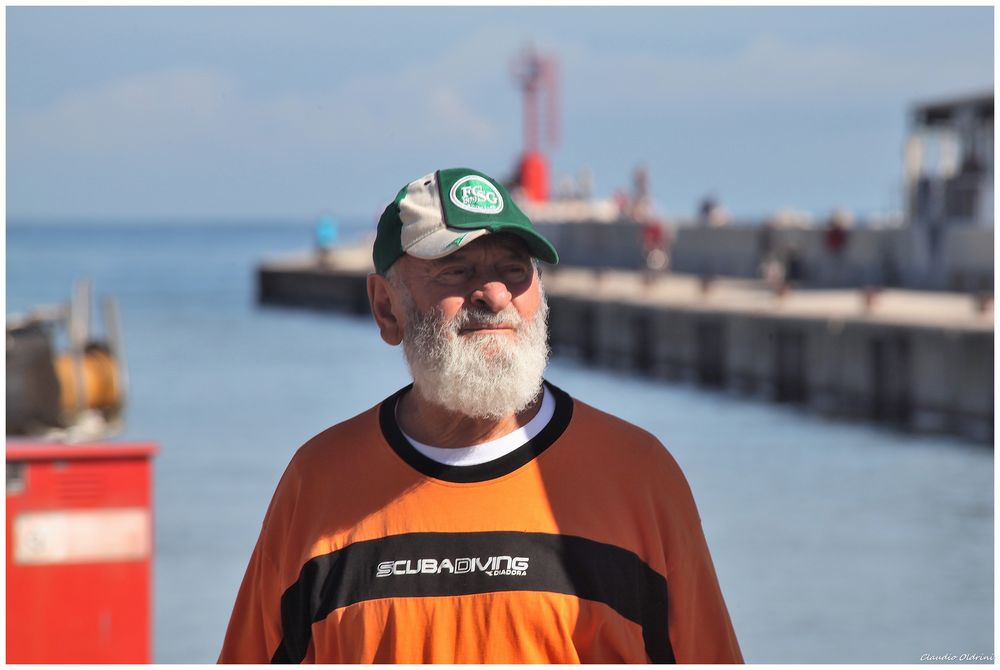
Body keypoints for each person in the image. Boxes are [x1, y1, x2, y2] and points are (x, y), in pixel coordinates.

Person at [218, 167, 743, 664]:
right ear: (385, 307)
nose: (494, 295)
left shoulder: (639, 475)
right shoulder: (319, 482)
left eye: (514, 270)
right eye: (457, 270)